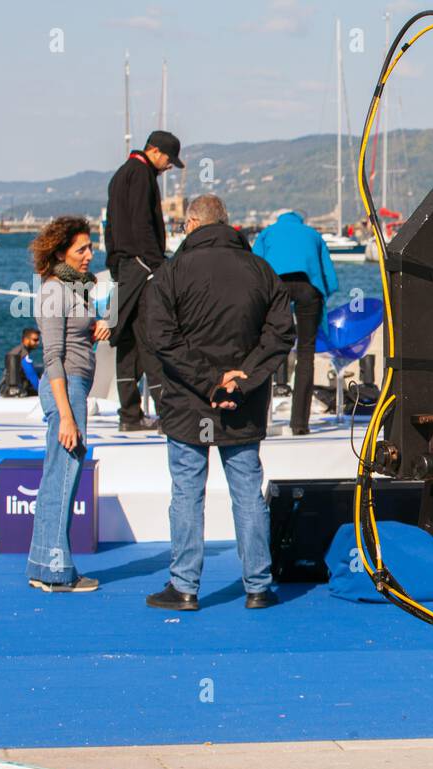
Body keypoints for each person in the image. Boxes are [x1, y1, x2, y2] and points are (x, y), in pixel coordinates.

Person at [141, 195, 295, 612]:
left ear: (191, 224)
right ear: (226, 223)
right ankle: (258, 585)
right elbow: (281, 333)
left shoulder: (171, 274)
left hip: (189, 401)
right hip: (242, 401)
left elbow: (160, 338)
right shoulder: (261, 271)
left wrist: (210, 381)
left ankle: (185, 586)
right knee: (247, 490)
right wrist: (241, 379)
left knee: (188, 492)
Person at [25, 217, 110, 593]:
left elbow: (72, 343)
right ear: (61, 253)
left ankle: (43, 564)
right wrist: (65, 415)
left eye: (90, 247)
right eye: (82, 249)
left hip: (74, 387)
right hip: (66, 390)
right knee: (62, 480)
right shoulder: (54, 291)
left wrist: (94, 331)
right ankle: (57, 571)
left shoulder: (73, 291)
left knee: (57, 476)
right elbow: (54, 357)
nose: (90, 254)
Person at [105, 129, 183, 432]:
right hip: (143, 267)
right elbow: (142, 223)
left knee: (125, 340)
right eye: (168, 160)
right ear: (155, 152)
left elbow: (111, 224)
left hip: (125, 267)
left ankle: (129, 414)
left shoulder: (120, 174)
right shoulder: (142, 175)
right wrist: (157, 265)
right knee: (151, 339)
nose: (168, 167)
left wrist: (114, 263)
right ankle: (167, 415)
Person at [250, 210, 339, 435]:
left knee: (267, 348)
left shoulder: (267, 233)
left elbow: (254, 267)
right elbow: (329, 275)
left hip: (276, 287)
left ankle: (262, 418)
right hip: (308, 288)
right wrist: (325, 295)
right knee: (306, 354)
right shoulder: (312, 235)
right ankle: (300, 424)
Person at [7, 327, 42, 396]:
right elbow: (31, 374)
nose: (38, 342)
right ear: (26, 340)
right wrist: (40, 390)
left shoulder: (18, 350)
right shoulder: (23, 353)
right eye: (35, 340)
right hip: (18, 389)